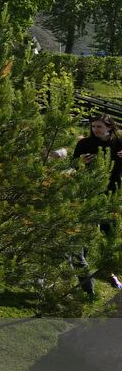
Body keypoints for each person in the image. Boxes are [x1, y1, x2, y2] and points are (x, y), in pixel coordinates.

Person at [72, 116, 122, 293]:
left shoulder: (119, 143)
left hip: (112, 193)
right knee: (85, 231)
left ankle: (110, 272)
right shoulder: (85, 144)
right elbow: (73, 165)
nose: (95, 129)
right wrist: (81, 162)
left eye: (99, 126)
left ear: (109, 127)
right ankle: (82, 270)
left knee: (109, 233)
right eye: (93, 126)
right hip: (90, 191)